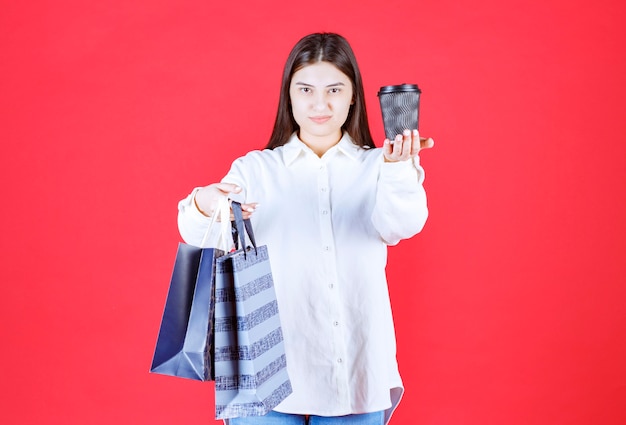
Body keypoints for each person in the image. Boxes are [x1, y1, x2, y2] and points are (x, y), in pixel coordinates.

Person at [177, 32, 434, 425]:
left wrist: (400, 169)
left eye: (334, 89)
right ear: (290, 96)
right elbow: (194, 232)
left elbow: (402, 225)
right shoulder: (256, 170)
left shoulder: (378, 167)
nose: (320, 104)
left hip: (356, 369)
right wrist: (204, 203)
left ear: (353, 96)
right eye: (306, 89)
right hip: (266, 371)